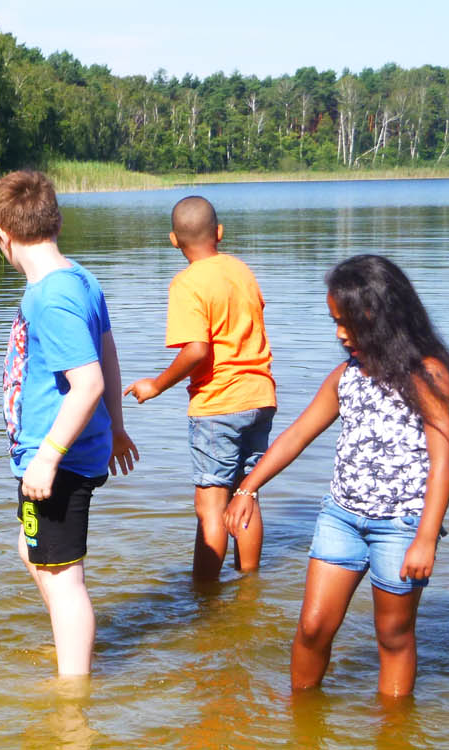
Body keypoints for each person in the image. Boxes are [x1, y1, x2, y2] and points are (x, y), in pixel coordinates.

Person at [226, 254, 449, 697]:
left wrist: (426, 538)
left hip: (401, 527)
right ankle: (299, 724)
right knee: (312, 626)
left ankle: (393, 734)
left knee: (393, 637)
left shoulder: (429, 376)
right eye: (334, 321)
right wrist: (247, 487)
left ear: (380, 316)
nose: (340, 334)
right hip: (341, 518)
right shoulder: (347, 377)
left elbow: (444, 463)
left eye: (348, 323)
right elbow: (298, 434)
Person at [0, 170, 138, 677]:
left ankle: (73, 695)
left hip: (60, 456)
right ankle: (69, 640)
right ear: (57, 220)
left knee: (61, 575)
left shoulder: (50, 297)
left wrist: (48, 457)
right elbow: (109, 353)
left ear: (2, 236)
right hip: (64, 449)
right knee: (36, 556)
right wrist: (116, 426)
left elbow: (89, 380)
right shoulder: (80, 279)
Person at [124, 196, 276, 581]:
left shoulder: (187, 283)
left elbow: (197, 350)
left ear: (174, 240)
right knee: (246, 494)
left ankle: (204, 599)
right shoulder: (242, 271)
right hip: (260, 397)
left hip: (218, 404)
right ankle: (249, 587)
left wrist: (157, 385)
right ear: (220, 233)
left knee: (211, 506)